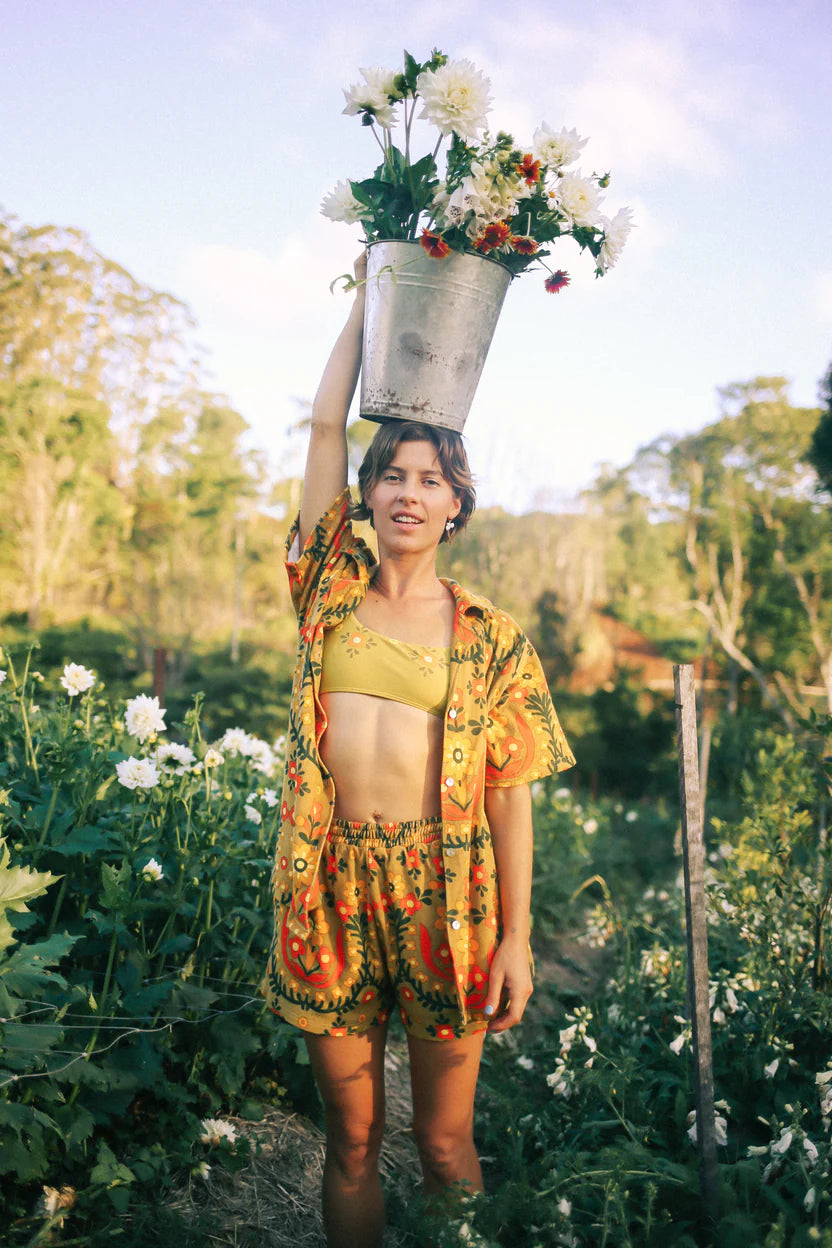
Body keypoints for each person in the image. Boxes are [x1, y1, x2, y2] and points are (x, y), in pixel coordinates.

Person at [263, 254, 575, 1247]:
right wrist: (373, 294)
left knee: (444, 1146)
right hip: (332, 885)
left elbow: (511, 795)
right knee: (350, 1141)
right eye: (390, 474)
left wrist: (517, 937)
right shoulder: (328, 592)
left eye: (430, 480)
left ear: (456, 505)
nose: (407, 491)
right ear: (364, 497)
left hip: (450, 901)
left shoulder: (490, 635)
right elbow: (322, 425)